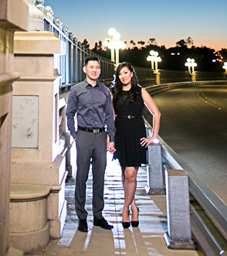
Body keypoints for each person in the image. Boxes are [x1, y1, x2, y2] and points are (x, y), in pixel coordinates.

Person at [66, 56, 116, 232]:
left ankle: (98, 215)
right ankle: (82, 217)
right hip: (84, 136)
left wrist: (112, 138)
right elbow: (69, 113)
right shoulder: (76, 90)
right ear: (85, 69)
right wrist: (74, 134)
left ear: (100, 70)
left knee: (99, 176)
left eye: (97, 67)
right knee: (82, 177)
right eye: (91, 67)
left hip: (101, 136)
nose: (94, 70)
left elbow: (110, 116)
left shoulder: (104, 91)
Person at [111, 62, 162, 228]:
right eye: (120, 74)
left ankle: (125, 209)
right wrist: (110, 139)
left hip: (136, 132)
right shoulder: (115, 93)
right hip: (120, 132)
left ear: (132, 74)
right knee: (124, 173)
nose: (123, 76)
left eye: (126, 73)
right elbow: (111, 118)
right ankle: (133, 206)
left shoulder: (141, 91)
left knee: (131, 173)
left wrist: (153, 136)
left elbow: (157, 113)